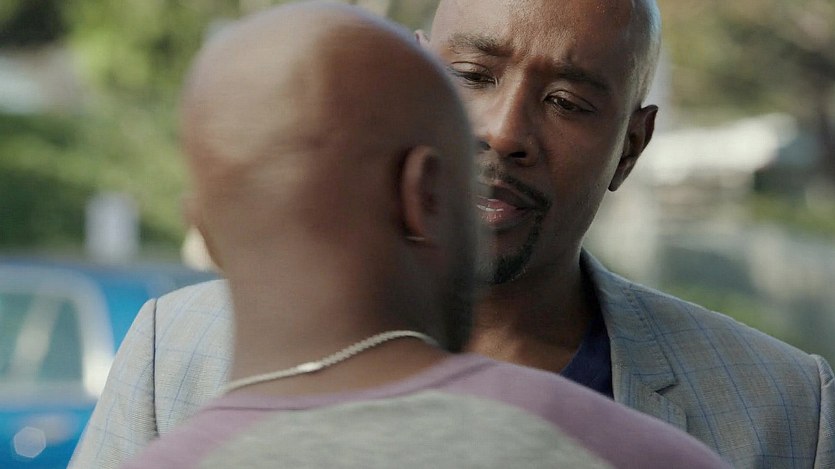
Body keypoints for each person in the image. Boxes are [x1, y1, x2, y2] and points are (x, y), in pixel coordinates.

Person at [71, 0, 834, 468]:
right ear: (410, 79)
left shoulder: (783, 404)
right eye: (472, 75)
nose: (505, 133)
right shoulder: (175, 350)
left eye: (567, 102)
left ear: (630, 147)